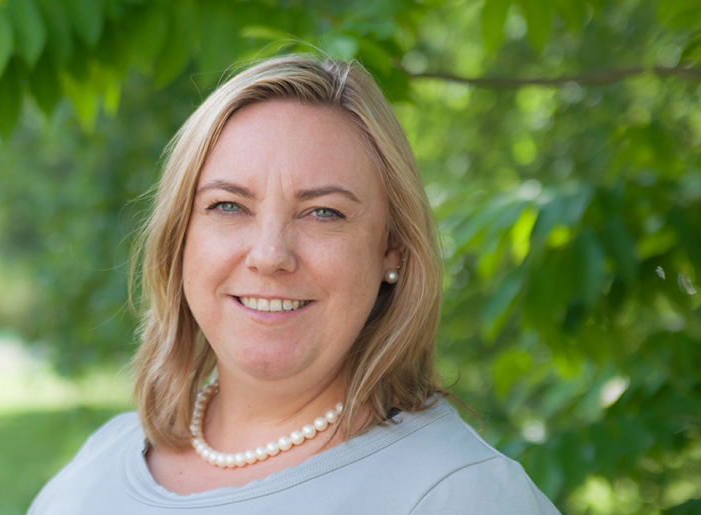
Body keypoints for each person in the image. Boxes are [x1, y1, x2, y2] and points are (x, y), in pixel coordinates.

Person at [28, 55, 561, 514]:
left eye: (324, 213)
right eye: (229, 205)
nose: (269, 256)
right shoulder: (96, 467)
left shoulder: (458, 495)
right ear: (179, 239)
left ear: (391, 250)